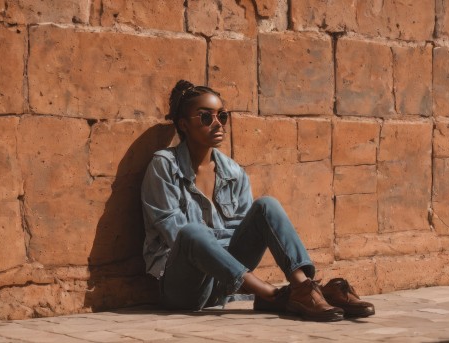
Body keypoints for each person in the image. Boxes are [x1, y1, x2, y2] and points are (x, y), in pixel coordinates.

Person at [141, 80, 375, 322]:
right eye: (206, 117)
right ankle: (275, 295)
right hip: (184, 288)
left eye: (222, 116)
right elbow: (176, 235)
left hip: (228, 281)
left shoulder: (233, 171)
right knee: (192, 233)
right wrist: (225, 256)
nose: (218, 123)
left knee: (267, 205)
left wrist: (229, 260)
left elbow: (240, 231)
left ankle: (303, 288)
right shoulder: (164, 166)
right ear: (183, 124)